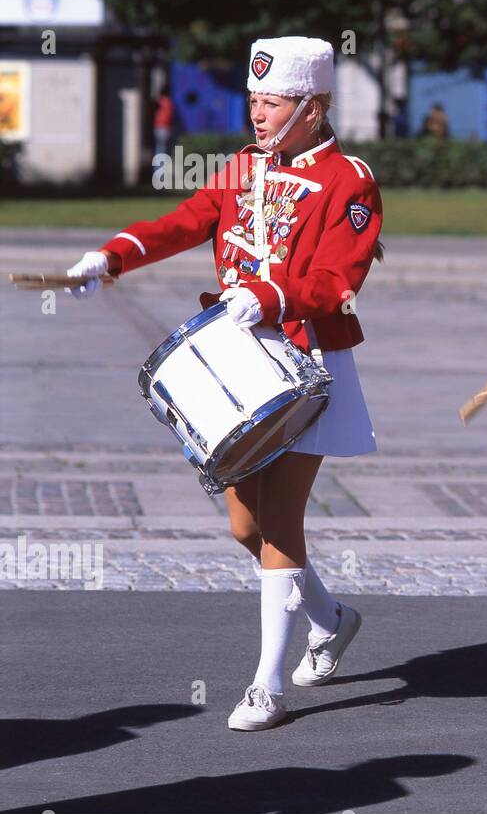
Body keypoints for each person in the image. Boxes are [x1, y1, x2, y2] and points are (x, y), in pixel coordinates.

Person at [65, 37, 384, 727]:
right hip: (240, 358)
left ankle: (267, 685)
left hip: (306, 360)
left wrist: (271, 297)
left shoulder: (348, 180)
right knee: (247, 521)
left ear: (315, 106)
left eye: (272, 103)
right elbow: (184, 224)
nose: (258, 114)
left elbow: (337, 282)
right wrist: (113, 256)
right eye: (254, 100)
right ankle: (329, 619)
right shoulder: (240, 167)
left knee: (281, 520)